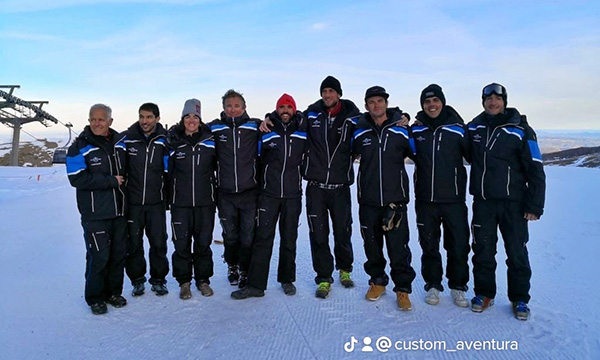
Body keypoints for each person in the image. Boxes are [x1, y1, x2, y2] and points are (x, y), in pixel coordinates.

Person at [467, 83, 546, 320]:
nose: (493, 102)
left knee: (517, 252)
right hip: (483, 202)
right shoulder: (474, 127)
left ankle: (520, 298)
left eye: (497, 98)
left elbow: (536, 168)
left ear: (504, 101)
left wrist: (535, 205)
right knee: (482, 251)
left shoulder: (522, 129)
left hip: (514, 203)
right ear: (483, 101)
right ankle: (484, 293)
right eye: (488, 98)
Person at [231, 94, 307, 300]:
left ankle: (286, 279)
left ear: (294, 109)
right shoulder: (265, 130)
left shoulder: (303, 130)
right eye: (281, 106)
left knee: (289, 238)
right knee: (263, 238)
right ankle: (256, 285)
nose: (285, 110)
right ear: (276, 109)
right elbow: (255, 158)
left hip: (292, 194)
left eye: (288, 107)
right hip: (268, 194)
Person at [352, 86, 417, 311]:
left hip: (395, 200)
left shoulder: (401, 129)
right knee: (372, 246)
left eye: (380, 101)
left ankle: (403, 289)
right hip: (368, 200)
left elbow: (419, 153)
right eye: (371, 102)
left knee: (398, 247)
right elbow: (346, 154)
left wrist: (409, 121)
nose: (376, 105)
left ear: (386, 104)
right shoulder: (359, 131)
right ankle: (377, 282)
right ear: (366, 106)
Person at [410, 84, 471, 307]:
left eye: (435, 101)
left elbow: (475, 155)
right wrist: (402, 117)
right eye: (427, 102)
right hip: (426, 199)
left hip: (454, 199)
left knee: (458, 245)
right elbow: (403, 146)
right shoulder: (416, 130)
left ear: (442, 102)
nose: (431, 105)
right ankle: (433, 285)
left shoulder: (457, 129)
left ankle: (458, 286)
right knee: (429, 244)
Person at [66, 104, 128, 315]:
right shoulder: (79, 146)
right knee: (99, 255)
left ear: (110, 121)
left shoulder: (120, 143)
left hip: (119, 211)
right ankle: (95, 297)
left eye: (101, 119)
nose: (96, 123)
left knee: (118, 254)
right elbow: (76, 178)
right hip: (95, 213)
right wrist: (110, 181)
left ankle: (113, 292)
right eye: (93, 119)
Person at [302, 76, 361, 298]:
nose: (327, 95)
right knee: (318, 233)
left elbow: (379, 117)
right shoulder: (311, 115)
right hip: (316, 186)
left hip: (340, 186)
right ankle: (324, 277)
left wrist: (399, 115)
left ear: (339, 94)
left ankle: (345, 270)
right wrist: (269, 117)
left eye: (331, 91)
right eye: (324, 91)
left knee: (342, 230)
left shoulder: (353, 116)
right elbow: (285, 119)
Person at [208, 90, 261, 289]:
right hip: (225, 192)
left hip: (249, 191)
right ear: (223, 108)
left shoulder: (254, 126)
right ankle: (233, 266)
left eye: (236, 105)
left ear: (244, 107)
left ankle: (245, 269)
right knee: (230, 234)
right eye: (229, 106)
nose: (232, 109)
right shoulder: (214, 128)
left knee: (247, 235)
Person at [167, 99, 217, 299]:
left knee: (203, 243)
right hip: (181, 203)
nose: (191, 120)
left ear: (200, 119)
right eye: (187, 116)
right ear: (182, 119)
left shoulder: (210, 140)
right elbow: (166, 172)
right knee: (181, 243)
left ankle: (203, 280)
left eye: (195, 116)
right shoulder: (173, 142)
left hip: (205, 202)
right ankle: (184, 281)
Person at [121, 103, 170, 297]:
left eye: (149, 117)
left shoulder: (165, 140)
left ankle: (159, 280)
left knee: (158, 243)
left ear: (157, 118)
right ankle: (137, 280)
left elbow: (170, 171)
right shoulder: (127, 139)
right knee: (133, 244)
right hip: (133, 203)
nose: (144, 121)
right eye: (141, 116)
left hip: (156, 202)